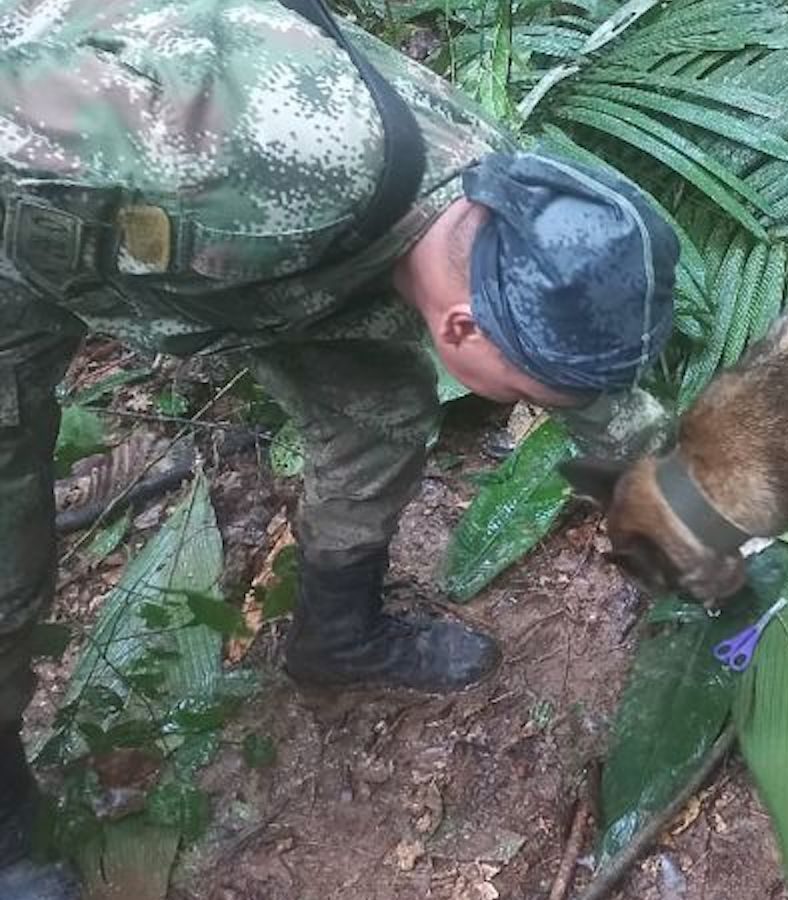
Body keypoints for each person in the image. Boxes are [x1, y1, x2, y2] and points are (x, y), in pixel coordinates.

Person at [0, 1, 680, 895]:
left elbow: (586, 386)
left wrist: (693, 508)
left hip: (273, 276)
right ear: (465, 326)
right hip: (25, 250)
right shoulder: (236, 151)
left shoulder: (499, 206)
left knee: (380, 414)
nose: (541, 409)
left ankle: (338, 634)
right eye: (526, 397)